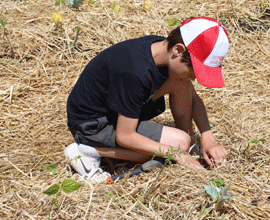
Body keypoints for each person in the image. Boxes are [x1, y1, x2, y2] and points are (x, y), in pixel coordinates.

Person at [64, 17, 229, 182]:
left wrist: (209, 139)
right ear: (178, 50)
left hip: (114, 107)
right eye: (193, 71)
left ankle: (188, 144)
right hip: (92, 124)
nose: (194, 79)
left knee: (181, 83)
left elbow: (193, 98)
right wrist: (175, 154)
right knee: (179, 143)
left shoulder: (160, 49)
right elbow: (125, 135)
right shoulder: (135, 72)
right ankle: (88, 151)